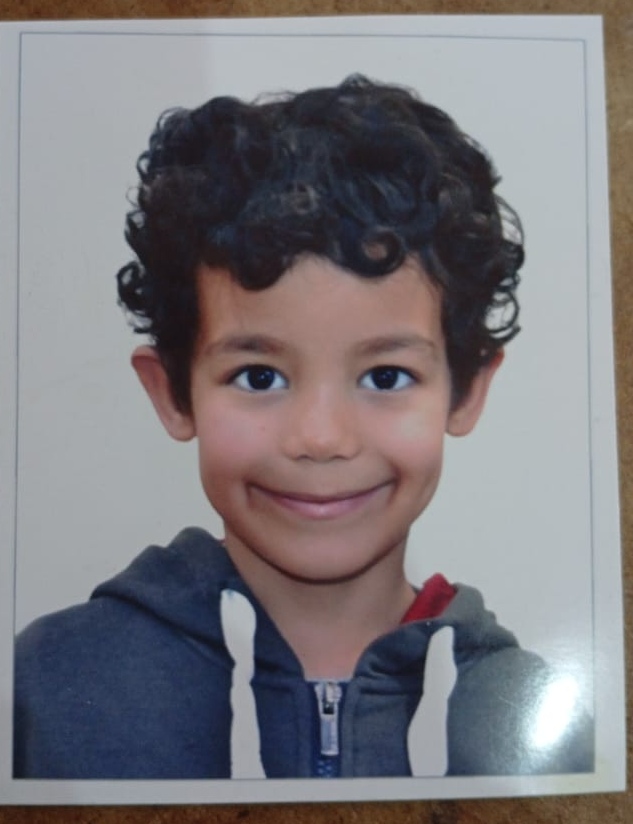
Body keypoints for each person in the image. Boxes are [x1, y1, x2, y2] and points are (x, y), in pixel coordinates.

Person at [13, 75, 593, 780]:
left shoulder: (546, 727)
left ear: (466, 391)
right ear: (172, 394)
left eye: (386, 377)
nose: (321, 438)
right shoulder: (44, 689)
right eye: (259, 377)